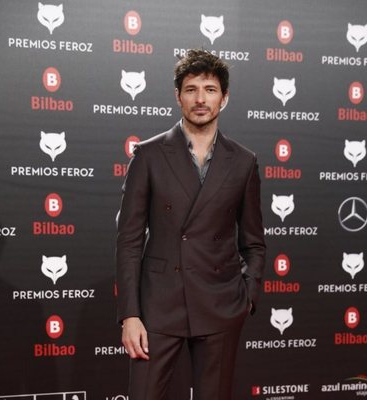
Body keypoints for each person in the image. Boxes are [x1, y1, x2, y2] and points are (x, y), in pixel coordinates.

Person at [116, 49, 266, 400]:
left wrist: (247, 298)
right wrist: (130, 315)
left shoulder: (243, 162)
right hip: (158, 306)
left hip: (220, 304)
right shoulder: (148, 155)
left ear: (224, 98)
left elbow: (254, 242)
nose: (200, 99)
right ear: (178, 96)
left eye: (210, 90)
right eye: (191, 89)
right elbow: (129, 241)